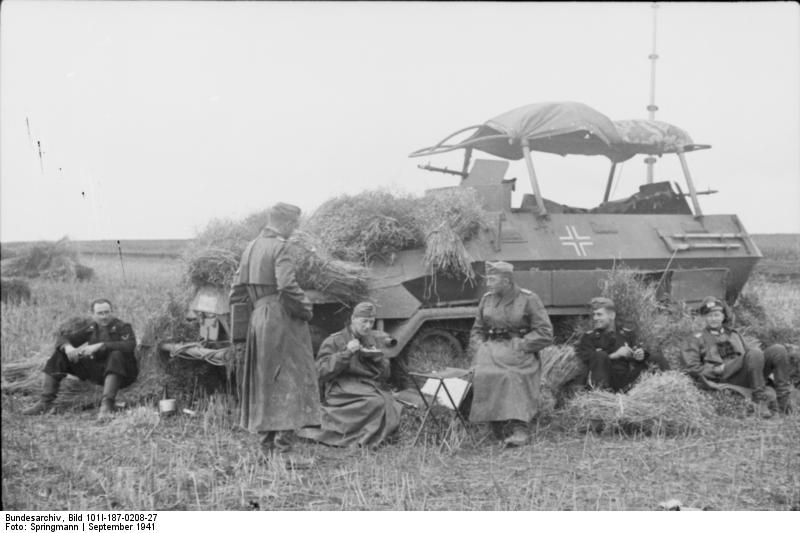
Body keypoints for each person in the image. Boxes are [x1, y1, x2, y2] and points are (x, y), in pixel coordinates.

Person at [230, 202, 321, 454]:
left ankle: (266, 446)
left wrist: (240, 333)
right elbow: (287, 286)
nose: (295, 230)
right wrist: (305, 309)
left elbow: (236, 292)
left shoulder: (250, 247)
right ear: (287, 223)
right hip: (280, 316)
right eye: (295, 225)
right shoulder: (281, 247)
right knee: (289, 379)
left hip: (258, 318)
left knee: (266, 380)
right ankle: (283, 450)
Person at [468, 261, 554, 447]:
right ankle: (494, 424)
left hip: (518, 353)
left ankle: (519, 428)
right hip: (490, 350)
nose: (488, 283)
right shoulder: (487, 299)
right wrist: (479, 347)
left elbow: (545, 333)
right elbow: (477, 329)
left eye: (492, 279)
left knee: (510, 376)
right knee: (481, 373)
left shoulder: (528, 299)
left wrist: (522, 344)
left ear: (506, 281)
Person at [297, 302, 402, 448]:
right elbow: (320, 372)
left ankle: (371, 435)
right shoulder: (334, 340)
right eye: (364, 321)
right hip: (340, 387)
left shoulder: (372, 340)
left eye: (371, 322)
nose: (368, 326)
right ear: (353, 319)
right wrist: (346, 353)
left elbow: (385, 375)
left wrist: (378, 360)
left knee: (389, 402)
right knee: (375, 402)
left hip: (366, 386)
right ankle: (359, 439)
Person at [23, 298, 138, 419]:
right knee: (59, 355)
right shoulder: (92, 328)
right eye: (100, 313)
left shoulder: (122, 327)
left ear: (112, 312)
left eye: (107, 312)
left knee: (116, 354)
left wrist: (101, 345)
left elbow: (130, 345)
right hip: (98, 372)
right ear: (92, 314)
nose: (104, 317)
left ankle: (107, 406)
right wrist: (68, 347)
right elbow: (64, 338)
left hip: (121, 374)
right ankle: (45, 402)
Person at [681, 296, 793, 417]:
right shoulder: (696, 339)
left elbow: (751, 358)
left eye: (717, 315)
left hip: (745, 374)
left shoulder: (734, 334)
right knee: (754, 352)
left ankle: (783, 401)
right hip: (725, 377)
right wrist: (717, 370)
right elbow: (692, 368)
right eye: (709, 315)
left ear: (723, 316)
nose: (713, 319)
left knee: (778, 350)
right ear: (704, 317)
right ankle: (759, 401)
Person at [575, 297, 670, 392]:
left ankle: (672, 386)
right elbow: (588, 360)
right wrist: (615, 355)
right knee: (600, 355)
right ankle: (603, 395)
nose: (595, 318)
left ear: (612, 315)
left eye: (599, 314)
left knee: (656, 358)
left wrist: (639, 355)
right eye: (594, 315)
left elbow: (636, 354)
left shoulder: (627, 334)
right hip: (604, 380)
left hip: (625, 380)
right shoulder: (589, 337)